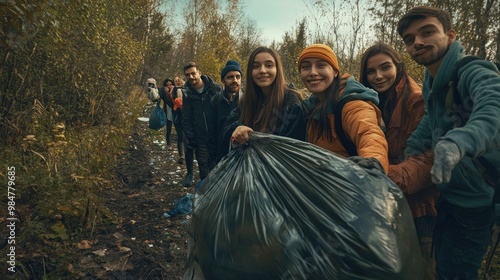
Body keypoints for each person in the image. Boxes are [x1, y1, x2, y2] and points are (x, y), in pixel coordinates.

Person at [397, 6, 500, 279]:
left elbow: (492, 106)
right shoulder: (432, 80)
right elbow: (430, 121)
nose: (417, 42)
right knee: (443, 267)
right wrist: (410, 153)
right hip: (449, 195)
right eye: (409, 39)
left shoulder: (472, 70)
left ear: (451, 35)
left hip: (475, 203)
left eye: (427, 32)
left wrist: (458, 141)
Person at [359, 42, 438, 278]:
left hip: (420, 207)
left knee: (420, 270)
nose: (378, 76)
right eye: (371, 71)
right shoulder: (373, 100)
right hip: (389, 202)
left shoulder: (417, 100)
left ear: (399, 66)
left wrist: (382, 175)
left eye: (385, 67)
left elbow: (427, 160)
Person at [297, 43, 389, 173]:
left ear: (335, 72)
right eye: (306, 67)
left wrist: (373, 163)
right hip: (325, 184)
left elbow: (369, 133)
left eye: (321, 65)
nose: (313, 72)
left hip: (351, 186)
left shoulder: (352, 103)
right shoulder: (312, 106)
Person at [225, 46, 307, 147]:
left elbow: (290, 150)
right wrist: (238, 128)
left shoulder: (292, 105)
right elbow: (228, 125)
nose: (262, 70)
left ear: (277, 69)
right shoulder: (247, 100)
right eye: (256, 66)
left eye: (269, 65)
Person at [182, 62, 222, 186]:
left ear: (199, 72)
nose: (191, 77)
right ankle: (207, 196)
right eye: (187, 75)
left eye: (193, 73)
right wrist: (191, 137)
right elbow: (186, 118)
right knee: (203, 167)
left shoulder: (216, 89)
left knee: (218, 166)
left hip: (217, 136)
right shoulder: (187, 93)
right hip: (200, 138)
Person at [208, 60, 243, 169]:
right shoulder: (216, 100)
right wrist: (212, 157)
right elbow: (211, 130)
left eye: (238, 77)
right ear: (223, 80)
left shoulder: (246, 100)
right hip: (220, 152)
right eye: (230, 77)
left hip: (241, 153)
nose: (235, 80)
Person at [172, 76, 186, 164]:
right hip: (177, 115)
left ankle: (186, 153)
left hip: (185, 116)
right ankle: (182, 155)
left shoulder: (186, 88)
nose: (177, 82)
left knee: (186, 136)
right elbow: (173, 100)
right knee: (180, 135)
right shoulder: (174, 90)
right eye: (176, 81)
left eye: (178, 80)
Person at [159, 78, 174, 149]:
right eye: (167, 85)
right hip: (167, 112)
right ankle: (169, 144)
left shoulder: (176, 91)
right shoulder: (164, 92)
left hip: (176, 112)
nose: (169, 86)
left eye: (170, 84)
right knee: (169, 128)